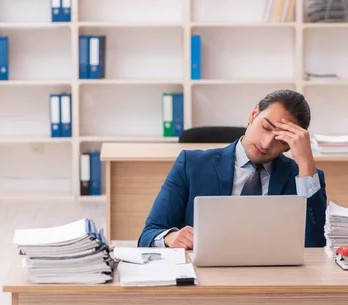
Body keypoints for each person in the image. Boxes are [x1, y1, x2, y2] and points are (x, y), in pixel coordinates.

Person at [137, 89, 327, 249]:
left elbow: (317, 245)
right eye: (266, 127)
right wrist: (170, 238)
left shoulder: (304, 177)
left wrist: (306, 164)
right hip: (204, 279)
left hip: (273, 281)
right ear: (253, 115)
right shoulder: (191, 164)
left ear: (289, 145)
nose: (266, 143)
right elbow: (148, 235)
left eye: (280, 139)